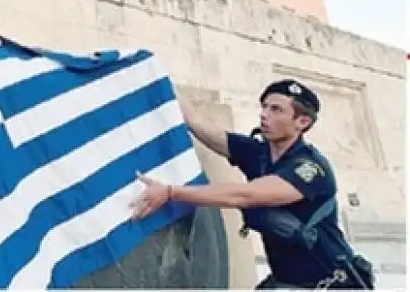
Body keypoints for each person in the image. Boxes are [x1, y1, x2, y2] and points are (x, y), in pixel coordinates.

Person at [130, 79, 374, 289]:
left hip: (329, 282)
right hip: (286, 281)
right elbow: (199, 126)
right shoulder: (258, 153)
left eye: (276, 109)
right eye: (264, 107)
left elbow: (244, 196)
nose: (264, 114)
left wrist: (171, 192)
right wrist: (161, 80)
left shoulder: (310, 169)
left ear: (302, 122)